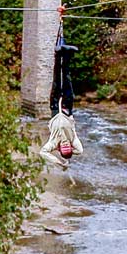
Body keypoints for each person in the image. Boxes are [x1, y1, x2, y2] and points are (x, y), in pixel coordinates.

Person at [40, 24, 82, 170]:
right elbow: (80, 151)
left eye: (63, 147)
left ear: (58, 148)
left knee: (57, 78)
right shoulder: (74, 141)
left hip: (55, 107)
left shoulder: (52, 142)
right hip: (67, 108)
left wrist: (58, 162)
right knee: (68, 78)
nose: (65, 144)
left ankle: (58, 54)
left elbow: (43, 152)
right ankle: (68, 54)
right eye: (68, 147)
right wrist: (67, 159)